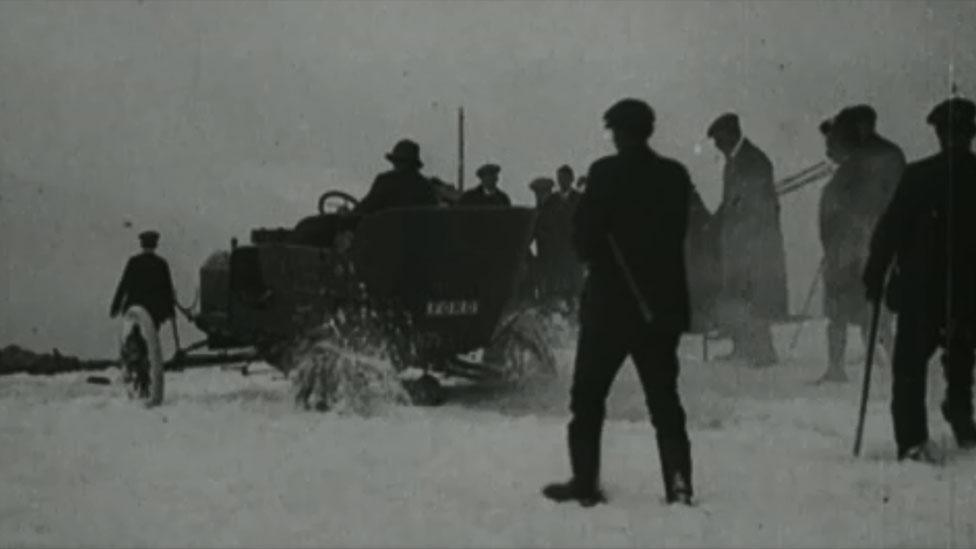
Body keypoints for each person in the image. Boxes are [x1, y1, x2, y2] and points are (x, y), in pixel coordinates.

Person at [542, 98, 702, 507]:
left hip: (610, 308)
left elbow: (583, 240)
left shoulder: (605, 172)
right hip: (660, 307)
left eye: (614, 131)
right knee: (665, 400)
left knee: (588, 397)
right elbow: (680, 233)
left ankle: (585, 483)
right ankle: (679, 484)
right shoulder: (674, 175)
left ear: (621, 132)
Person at [862, 97, 976, 462]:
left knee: (909, 367)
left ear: (940, 135)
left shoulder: (919, 175)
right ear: (971, 134)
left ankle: (912, 441)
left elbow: (889, 230)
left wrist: (875, 274)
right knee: (962, 352)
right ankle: (961, 418)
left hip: (920, 291)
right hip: (969, 290)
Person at [816, 108, 903, 383]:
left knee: (845, 312)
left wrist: (831, 242)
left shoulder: (859, 160)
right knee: (878, 313)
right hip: (874, 247)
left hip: (851, 249)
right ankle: (894, 366)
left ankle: (837, 368)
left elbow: (834, 205)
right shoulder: (892, 154)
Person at [707, 113, 788, 367]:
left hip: (755, 242)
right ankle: (741, 346)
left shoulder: (754, 161)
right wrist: (715, 221)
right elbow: (731, 201)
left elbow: (758, 205)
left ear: (731, 134)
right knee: (737, 293)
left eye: (719, 140)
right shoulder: (734, 161)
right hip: (737, 241)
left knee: (756, 295)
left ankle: (765, 352)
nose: (717, 145)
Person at [110, 230, 177, 406]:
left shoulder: (134, 262)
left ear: (142, 244)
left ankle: (139, 380)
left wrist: (115, 306)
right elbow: (168, 290)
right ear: (155, 245)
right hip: (154, 312)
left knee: (136, 345)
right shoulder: (161, 264)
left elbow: (123, 285)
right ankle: (146, 382)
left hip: (135, 312)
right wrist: (170, 312)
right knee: (150, 346)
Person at [355, 139, 439, 215]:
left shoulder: (385, 181)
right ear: (415, 165)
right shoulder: (426, 187)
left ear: (395, 162)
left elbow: (363, 209)